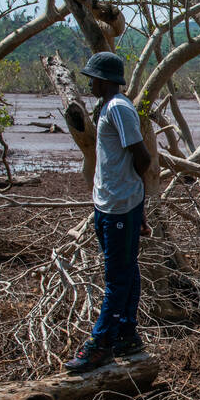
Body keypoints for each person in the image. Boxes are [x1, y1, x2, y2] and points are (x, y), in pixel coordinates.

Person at [64, 51, 153, 372]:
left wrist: (134, 203)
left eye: (92, 78)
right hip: (109, 206)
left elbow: (142, 158)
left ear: (105, 80)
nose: (89, 83)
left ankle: (100, 344)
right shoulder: (107, 108)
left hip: (119, 207)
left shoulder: (118, 107)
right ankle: (127, 336)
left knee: (117, 278)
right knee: (126, 271)